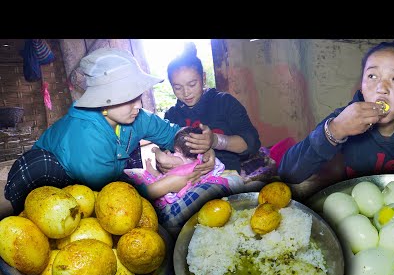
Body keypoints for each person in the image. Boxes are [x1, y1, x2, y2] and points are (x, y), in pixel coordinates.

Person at [4, 47, 216, 215]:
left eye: (137, 96)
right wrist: (164, 186)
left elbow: (173, 134)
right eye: (126, 99)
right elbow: (106, 199)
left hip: (99, 177)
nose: (137, 105)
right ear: (102, 101)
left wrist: (201, 146)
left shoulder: (137, 117)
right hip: (45, 178)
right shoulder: (86, 136)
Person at [279, 39, 394, 185]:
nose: (382, 88)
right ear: (361, 86)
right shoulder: (343, 119)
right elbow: (288, 174)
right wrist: (335, 130)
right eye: (372, 76)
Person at [160, 42, 261, 175]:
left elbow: (252, 144)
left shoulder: (224, 103)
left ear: (203, 78)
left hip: (226, 174)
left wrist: (215, 141)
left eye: (192, 84)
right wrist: (163, 163)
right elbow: (164, 152)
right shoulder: (172, 116)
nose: (186, 93)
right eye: (177, 87)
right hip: (188, 178)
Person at [123, 126, 244, 208]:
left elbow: (162, 159)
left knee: (151, 176)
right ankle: (153, 172)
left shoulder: (179, 159)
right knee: (162, 177)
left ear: (177, 149)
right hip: (178, 180)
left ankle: (152, 172)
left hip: (173, 183)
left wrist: (156, 150)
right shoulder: (199, 159)